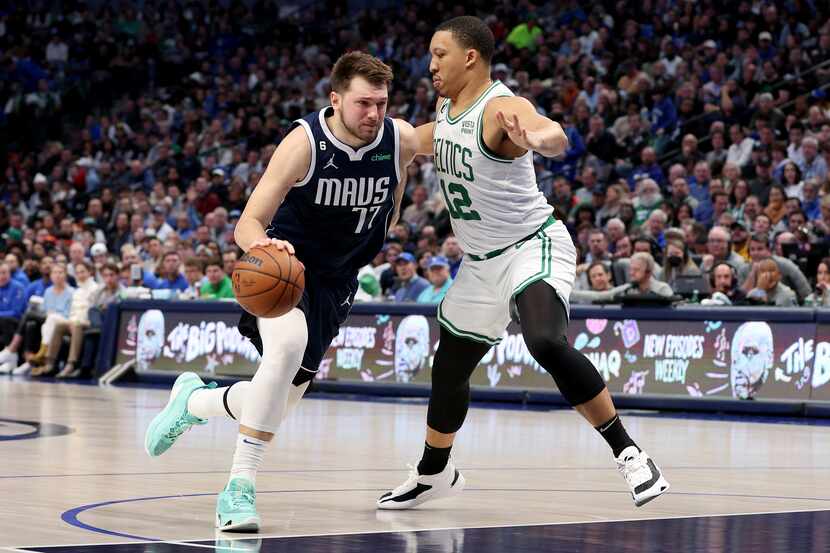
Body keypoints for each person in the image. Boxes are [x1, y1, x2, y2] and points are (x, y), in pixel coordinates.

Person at [378, 17, 668, 511]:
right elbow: (423, 140)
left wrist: (540, 138)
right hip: (480, 262)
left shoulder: (501, 107)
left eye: (439, 54)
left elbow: (548, 132)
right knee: (449, 368)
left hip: (531, 244)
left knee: (543, 341)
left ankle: (631, 454)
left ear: (470, 57)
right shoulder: (447, 109)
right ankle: (433, 473)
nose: (430, 65)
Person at [143, 51, 420, 532]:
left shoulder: (400, 140)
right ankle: (238, 490)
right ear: (335, 100)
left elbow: (454, 137)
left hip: (339, 281)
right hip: (285, 271)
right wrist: (264, 245)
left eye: (381, 102)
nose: (373, 113)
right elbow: (246, 223)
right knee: (286, 349)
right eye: (362, 103)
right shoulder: (305, 144)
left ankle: (194, 402)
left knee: (279, 401)